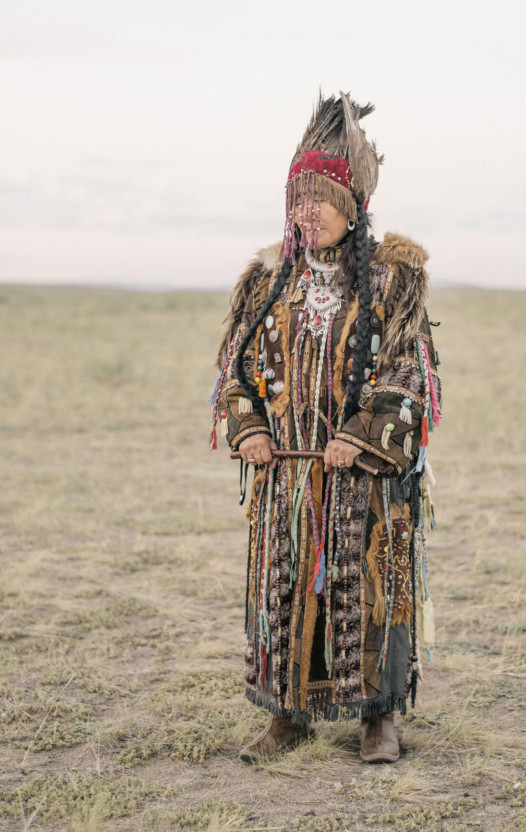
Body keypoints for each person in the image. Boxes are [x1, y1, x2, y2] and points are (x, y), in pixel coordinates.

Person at [210, 92, 440, 763]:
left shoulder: (393, 282)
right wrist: (249, 429)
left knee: (374, 589)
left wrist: (358, 436)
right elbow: (236, 373)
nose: (305, 213)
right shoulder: (265, 285)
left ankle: (379, 717)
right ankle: (287, 713)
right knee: (283, 590)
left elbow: (410, 376)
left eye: (320, 199)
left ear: (353, 208)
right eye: (297, 199)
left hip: (367, 482)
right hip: (287, 481)